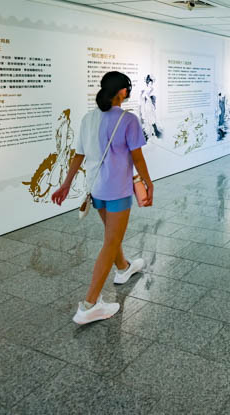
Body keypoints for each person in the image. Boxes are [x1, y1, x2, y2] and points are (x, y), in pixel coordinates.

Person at [52, 71, 155, 325]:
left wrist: (66, 185)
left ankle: (123, 268)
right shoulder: (127, 120)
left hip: (95, 189)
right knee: (111, 241)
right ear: (122, 91)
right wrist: (148, 183)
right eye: (127, 89)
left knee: (112, 234)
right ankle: (89, 304)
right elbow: (138, 157)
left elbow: (78, 155)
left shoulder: (88, 118)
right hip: (117, 190)